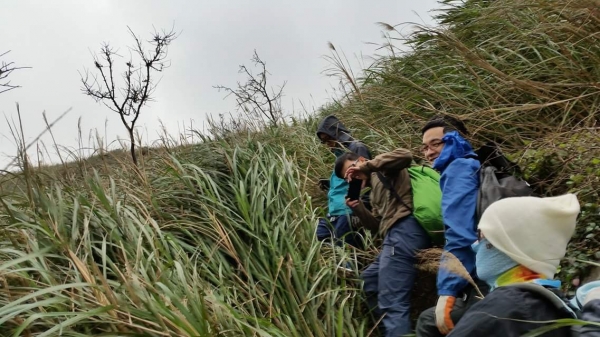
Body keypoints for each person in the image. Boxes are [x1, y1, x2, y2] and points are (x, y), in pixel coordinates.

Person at [447, 194, 600, 336]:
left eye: (482, 236)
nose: (475, 244)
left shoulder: (503, 308)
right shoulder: (553, 305)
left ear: (510, 245)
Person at [338, 149, 432, 336]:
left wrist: (366, 166)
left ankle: (397, 330)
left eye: (351, 169)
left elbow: (405, 155)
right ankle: (390, 330)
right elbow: (376, 226)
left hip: (405, 229)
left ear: (362, 160)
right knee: (369, 281)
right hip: (393, 237)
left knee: (393, 301)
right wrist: (358, 208)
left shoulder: (384, 170)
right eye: (346, 177)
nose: (351, 176)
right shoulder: (373, 193)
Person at [416, 115, 488, 336]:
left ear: (457, 140)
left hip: (486, 277)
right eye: (424, 148)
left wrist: (447, 292)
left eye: (436, 144)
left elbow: (459, 235)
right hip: (502, 269)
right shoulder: (476, 164)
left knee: (428, 322)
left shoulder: (457, 169)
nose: (428, 153)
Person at [315, 115, 371, 248]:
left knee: (346, 249)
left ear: (337, 133)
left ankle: (354, 267)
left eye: (328, 138)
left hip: (347, 211)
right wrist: (328, 184)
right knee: (320, 236)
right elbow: (345, 180)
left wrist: (361, 209)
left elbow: (365, 177)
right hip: (334, 211)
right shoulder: (339, 154)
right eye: (323, 141)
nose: (327, 143)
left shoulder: (357, 148)